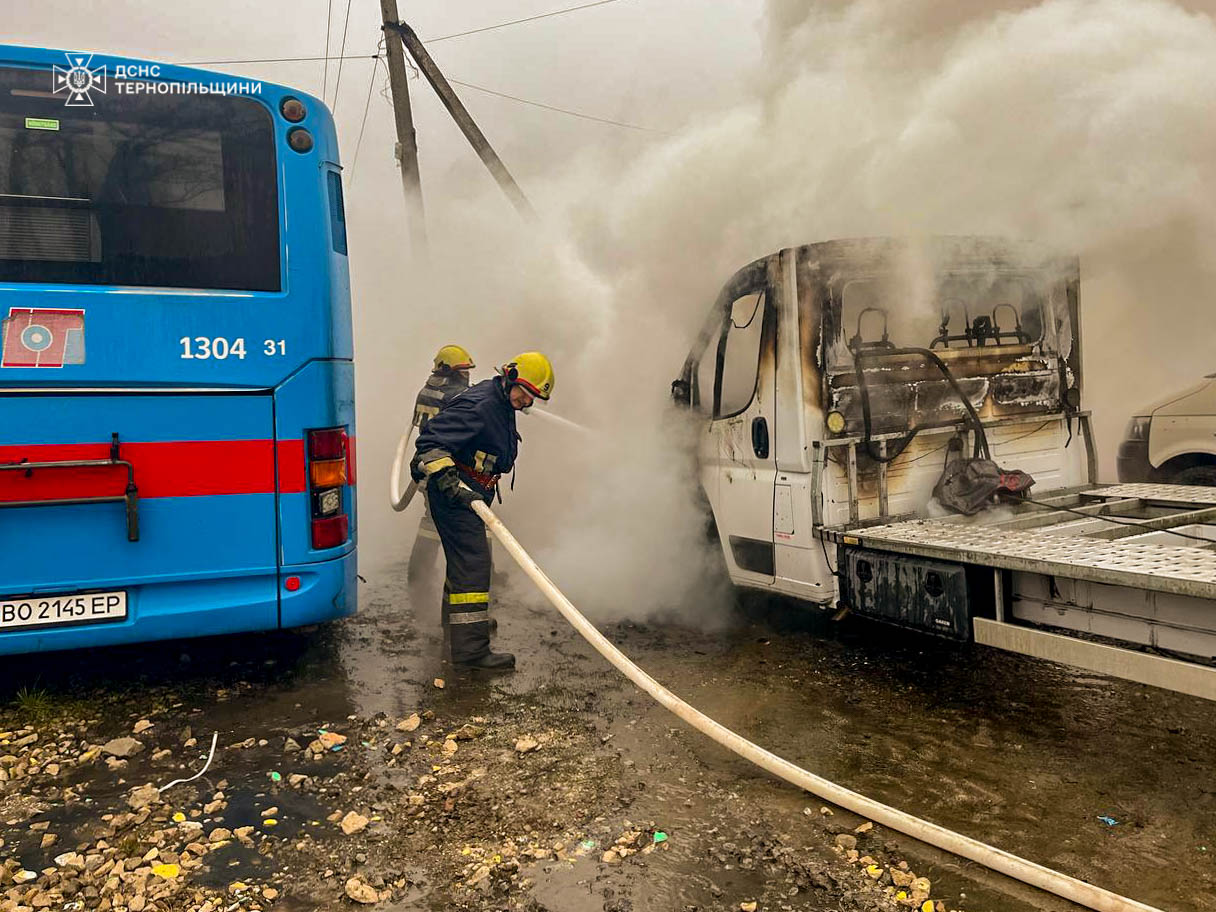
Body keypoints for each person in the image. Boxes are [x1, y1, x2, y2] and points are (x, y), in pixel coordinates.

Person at [411, 352, 556, 670]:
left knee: (463, 567)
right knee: (474, 568)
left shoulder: (501, 401)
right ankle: (471, 651)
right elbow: (430, 443)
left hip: (473, 493)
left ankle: (460, 631)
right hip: (457, 497)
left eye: (532, 399)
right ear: (511, 378)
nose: (526, 403)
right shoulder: (481, 404)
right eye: (525, 395)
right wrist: (450, 482)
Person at [407, 345, 476, 583]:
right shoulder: (454, 396)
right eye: (463, 371)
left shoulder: (426, 391)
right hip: (445, 466)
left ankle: (418, 572)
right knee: (473, 521)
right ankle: (485, 575)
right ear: (449, 371)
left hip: (427, 463)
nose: (467, 376)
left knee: (431, 520)